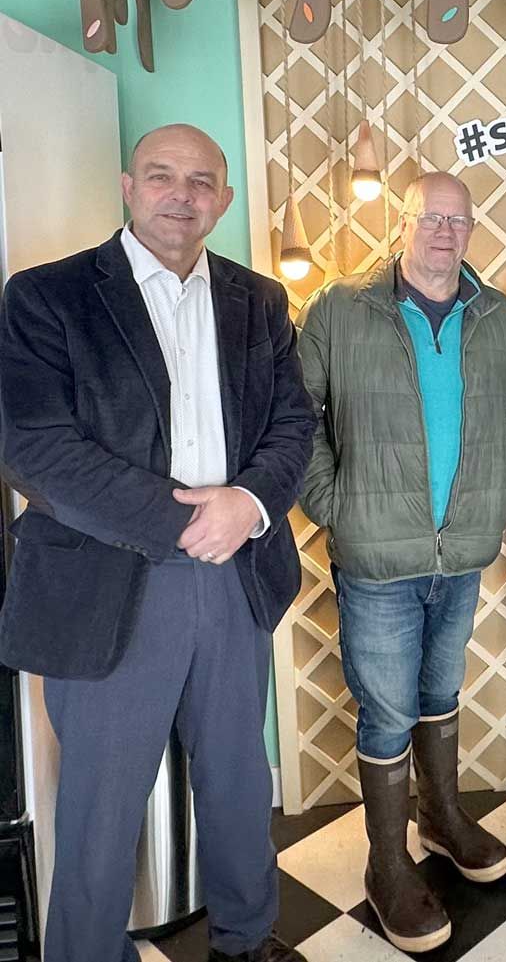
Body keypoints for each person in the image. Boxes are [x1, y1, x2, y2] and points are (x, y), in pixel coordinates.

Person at [0, 125, 317, 962]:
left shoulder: (259, 300)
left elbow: (294, 424)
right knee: (102, 805)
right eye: (163, 176)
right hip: (108, 580)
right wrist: (183, 518)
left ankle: (246, 942)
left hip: (234, 573)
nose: (183, 193)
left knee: (239, 782)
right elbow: (36, 446)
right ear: (128, 186)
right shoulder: (46, 296)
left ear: (225, 198)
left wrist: (247, 503)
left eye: (202, 180)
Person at [296, 172, 506, 951]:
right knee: (388, 708)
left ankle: (442, 817)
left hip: (461, 549)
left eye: (456, 219)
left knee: (439, 688)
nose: (443, 231)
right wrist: (338, 504)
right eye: (429, 217)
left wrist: (505, 488)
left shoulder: (497, 314)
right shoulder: (341, 307)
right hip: (377, 557)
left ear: (471, 230)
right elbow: (298, 417)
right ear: (402, 224)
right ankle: (386, 864)